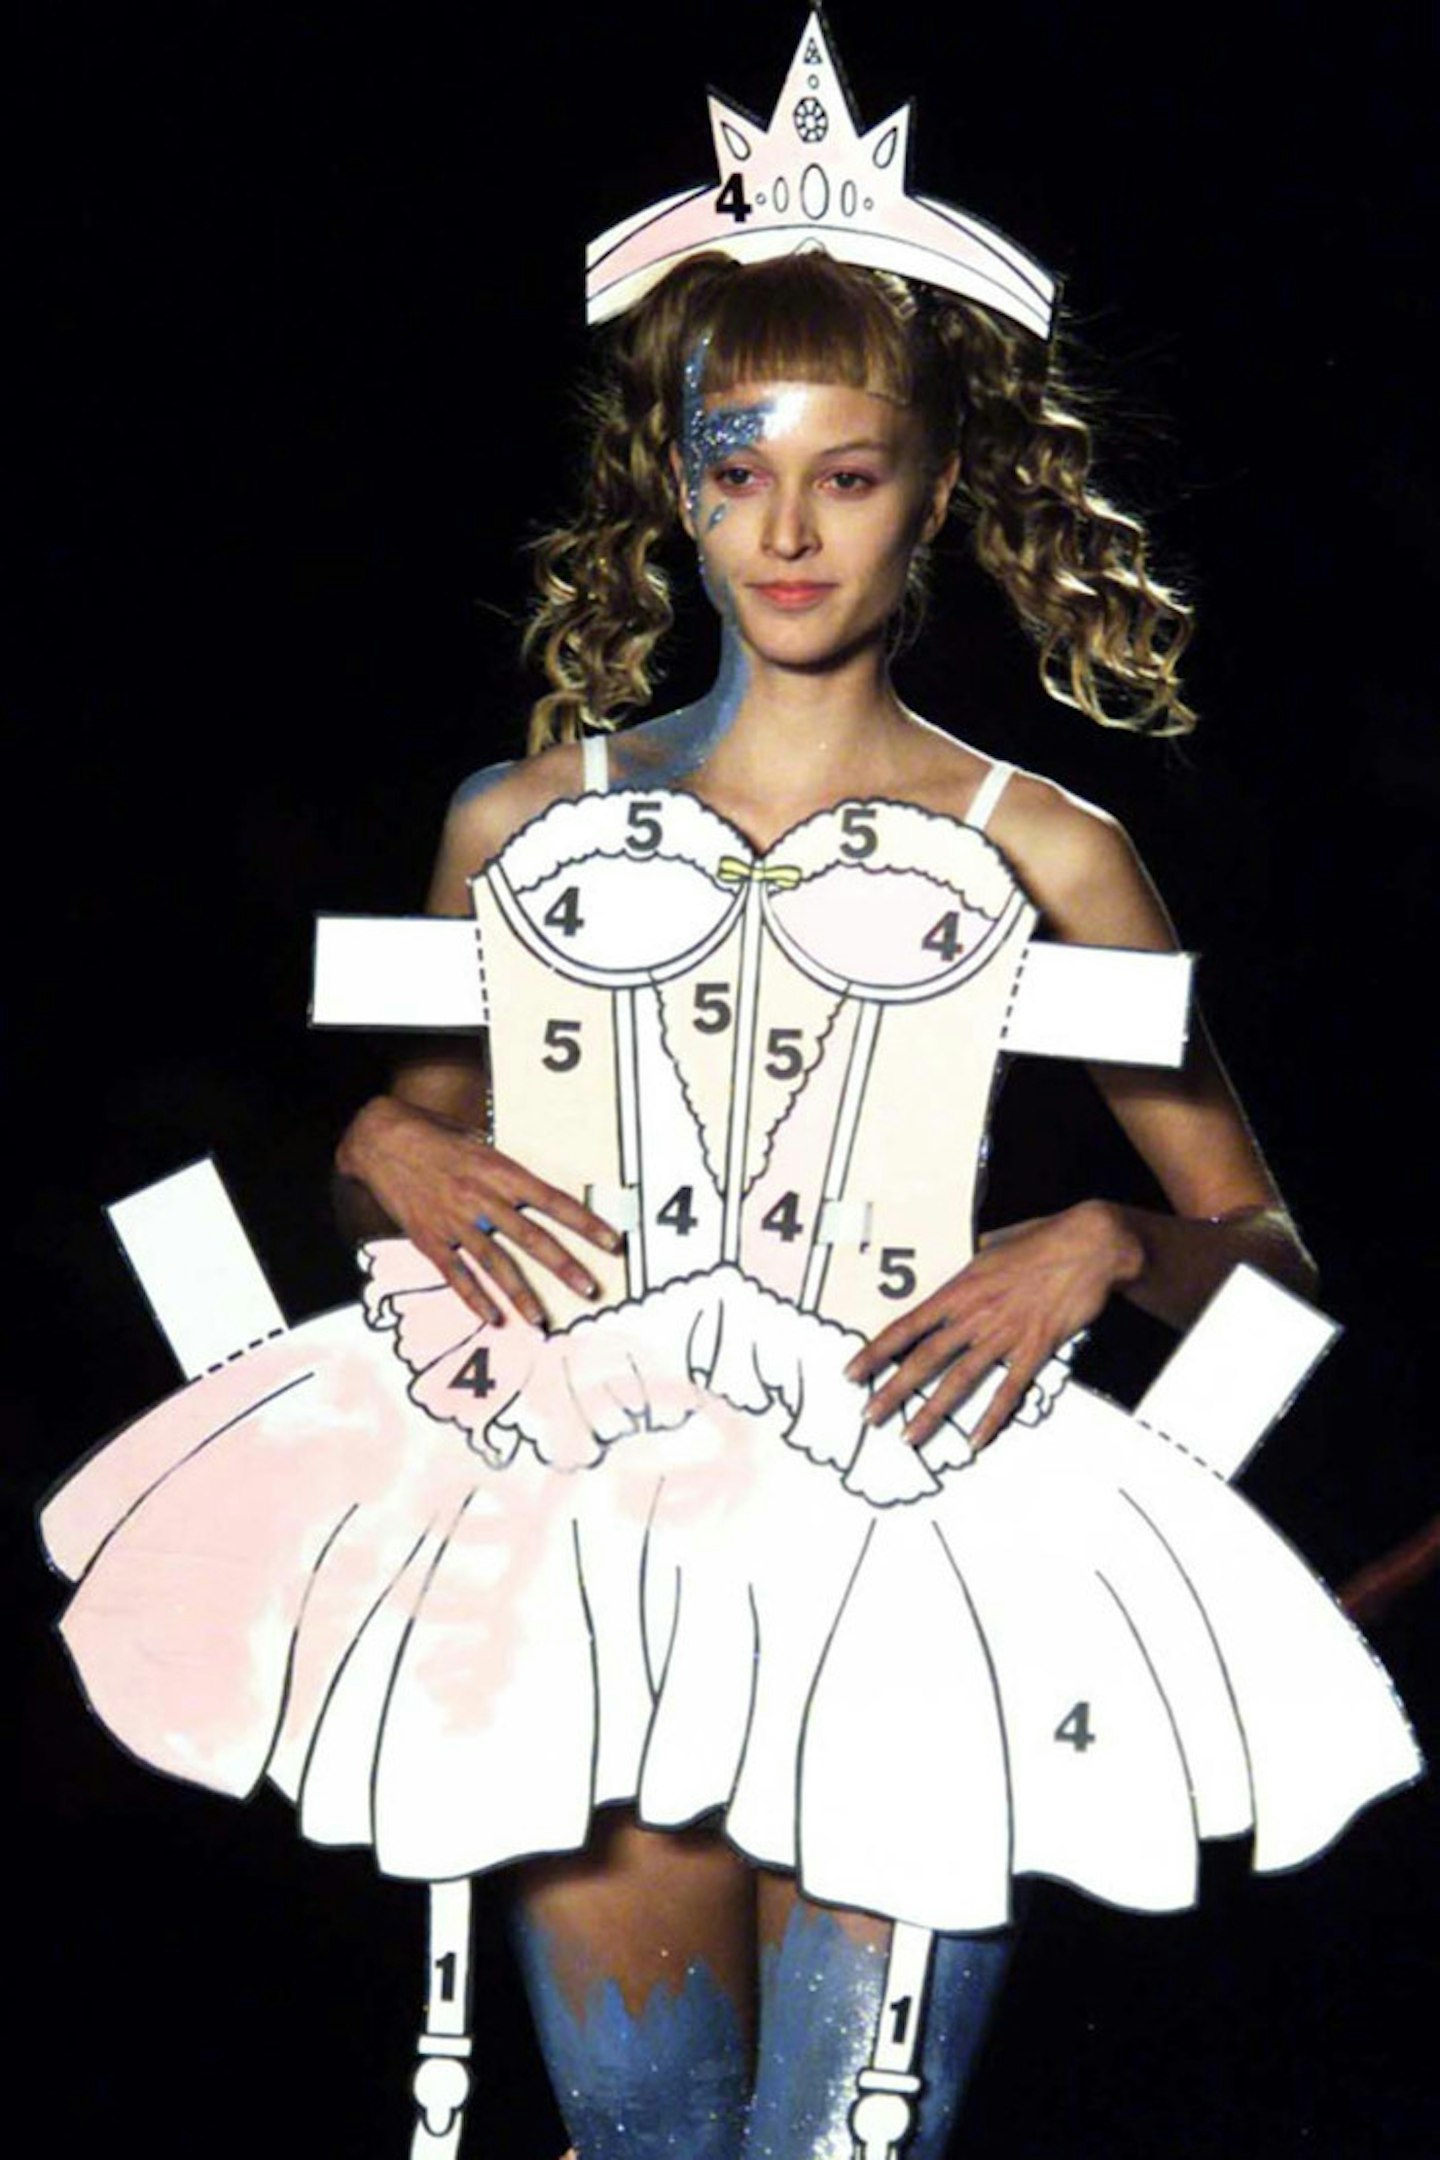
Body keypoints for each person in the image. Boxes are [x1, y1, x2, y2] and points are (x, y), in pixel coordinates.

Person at [41, 20, 1420, 2159]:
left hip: (914, 1549)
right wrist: (377, 1146)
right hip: (579, 1550)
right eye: (735, 464)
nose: (786, 528)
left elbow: (1279, 1267)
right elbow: (402, 1210)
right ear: (672, 479)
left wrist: (1107, 1240)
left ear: (937, 488)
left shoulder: (1051, 849)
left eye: (847, 474)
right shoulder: (512, 817)